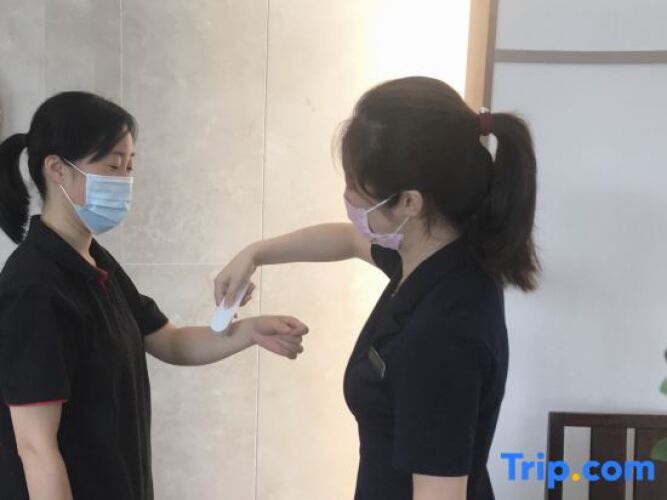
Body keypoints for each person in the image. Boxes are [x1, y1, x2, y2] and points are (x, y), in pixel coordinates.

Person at [214, 76, 539, 500]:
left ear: (410, 202)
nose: (347, 197)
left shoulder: (442, 334)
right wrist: (255, 254)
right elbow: (349, 240)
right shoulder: (436, 259)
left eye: (356, 188)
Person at [0, 91, 308, 500]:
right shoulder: (33, 288)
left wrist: (250, 331)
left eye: (130, 166)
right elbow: (35, 448)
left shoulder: (95, 262)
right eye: (112, 166)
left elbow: (172, 342)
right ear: (57, 168)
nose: (124, 181)